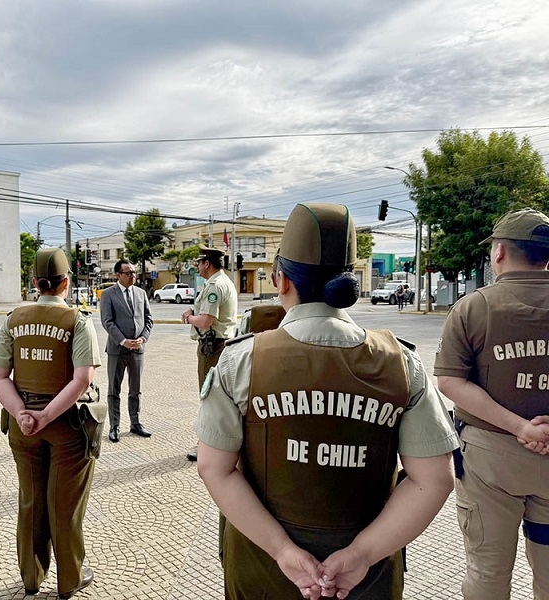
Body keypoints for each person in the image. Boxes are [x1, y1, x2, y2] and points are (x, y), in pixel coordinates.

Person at [195, 202, 458, 599]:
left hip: (262, 565)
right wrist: (363, 553)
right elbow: (435, 479)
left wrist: (283, 551)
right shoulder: (401, 363)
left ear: (280, 280)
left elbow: (215, 469)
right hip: (366, 578)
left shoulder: (243, 360)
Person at [435, 207, 549, 600]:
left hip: (491, 461)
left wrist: (521, 428)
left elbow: (450, 381)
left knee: (488, 570)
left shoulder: (473, 307)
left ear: (498, 253)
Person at [0, 247, 100, 599]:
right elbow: (82, 379)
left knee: (31, 501)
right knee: (64, 505)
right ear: (65, 283)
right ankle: (70, 579)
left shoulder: (13, 319)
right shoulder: (77, 320)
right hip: (66, 424)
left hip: (22, 427)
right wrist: (46, 415)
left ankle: (31, 578)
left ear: (35, 283)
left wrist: (24, 414)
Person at [181, 246, 237, 461]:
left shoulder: (214, 286)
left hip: (212, 347)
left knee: (208, 396)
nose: (197, 266)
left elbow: (206, 321)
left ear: (207, 263)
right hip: (222, 344)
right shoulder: (224, 282)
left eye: (199, 262)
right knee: (221, 396)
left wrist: (189, 318)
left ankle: (205, 445)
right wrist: (194, 313)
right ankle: (219, 443)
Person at [100, 258, 153, 442]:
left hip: (137, 349)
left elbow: (148, 319)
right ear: (118, 275)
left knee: (135, 389)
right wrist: (123, 341)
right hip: (117, 349)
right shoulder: (108, 294)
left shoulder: (140, 293)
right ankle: (114, 426)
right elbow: (107, 321)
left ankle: (135, 422)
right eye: (128, 273)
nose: (133, 276)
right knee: (114, 389)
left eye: (134, 272)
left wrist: (143, 338)